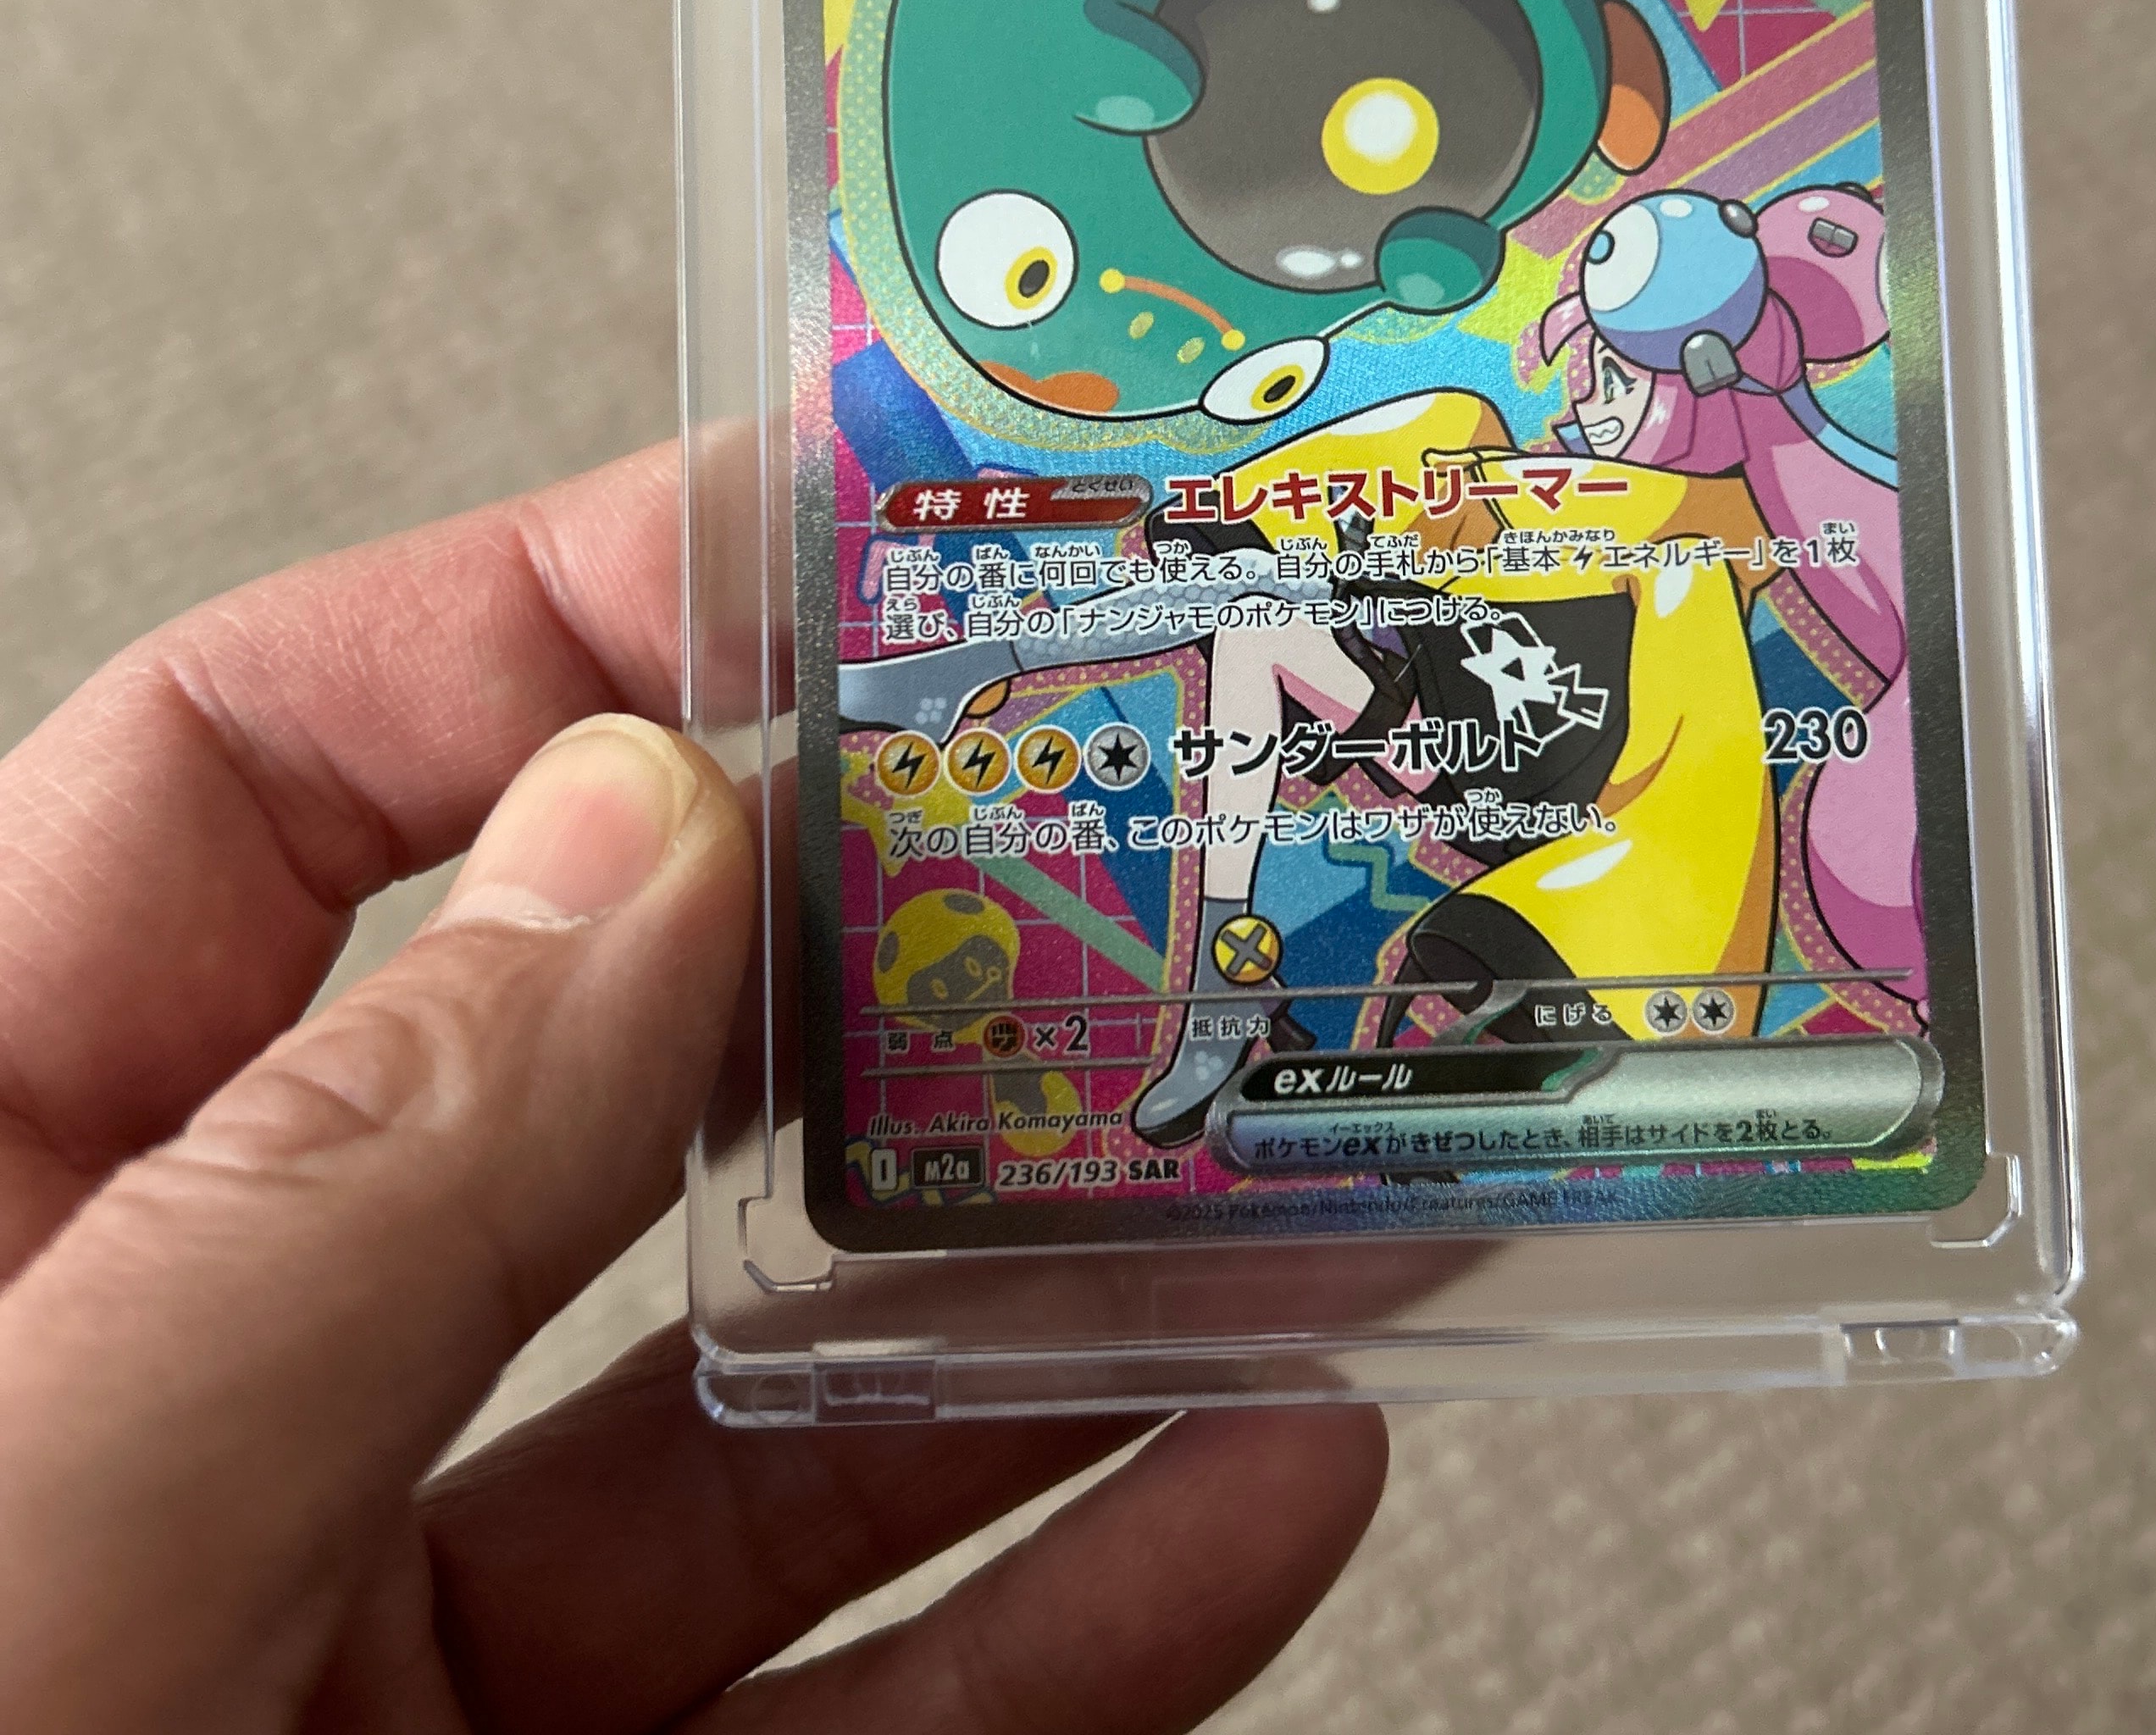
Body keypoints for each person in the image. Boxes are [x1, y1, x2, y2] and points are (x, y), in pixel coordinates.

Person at [0, 442, 1388, 1730]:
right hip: (1363, 675)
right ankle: (1185, 938)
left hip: (1447, 701)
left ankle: (1097, 817)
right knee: (1247, 613)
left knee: (1254, 615)